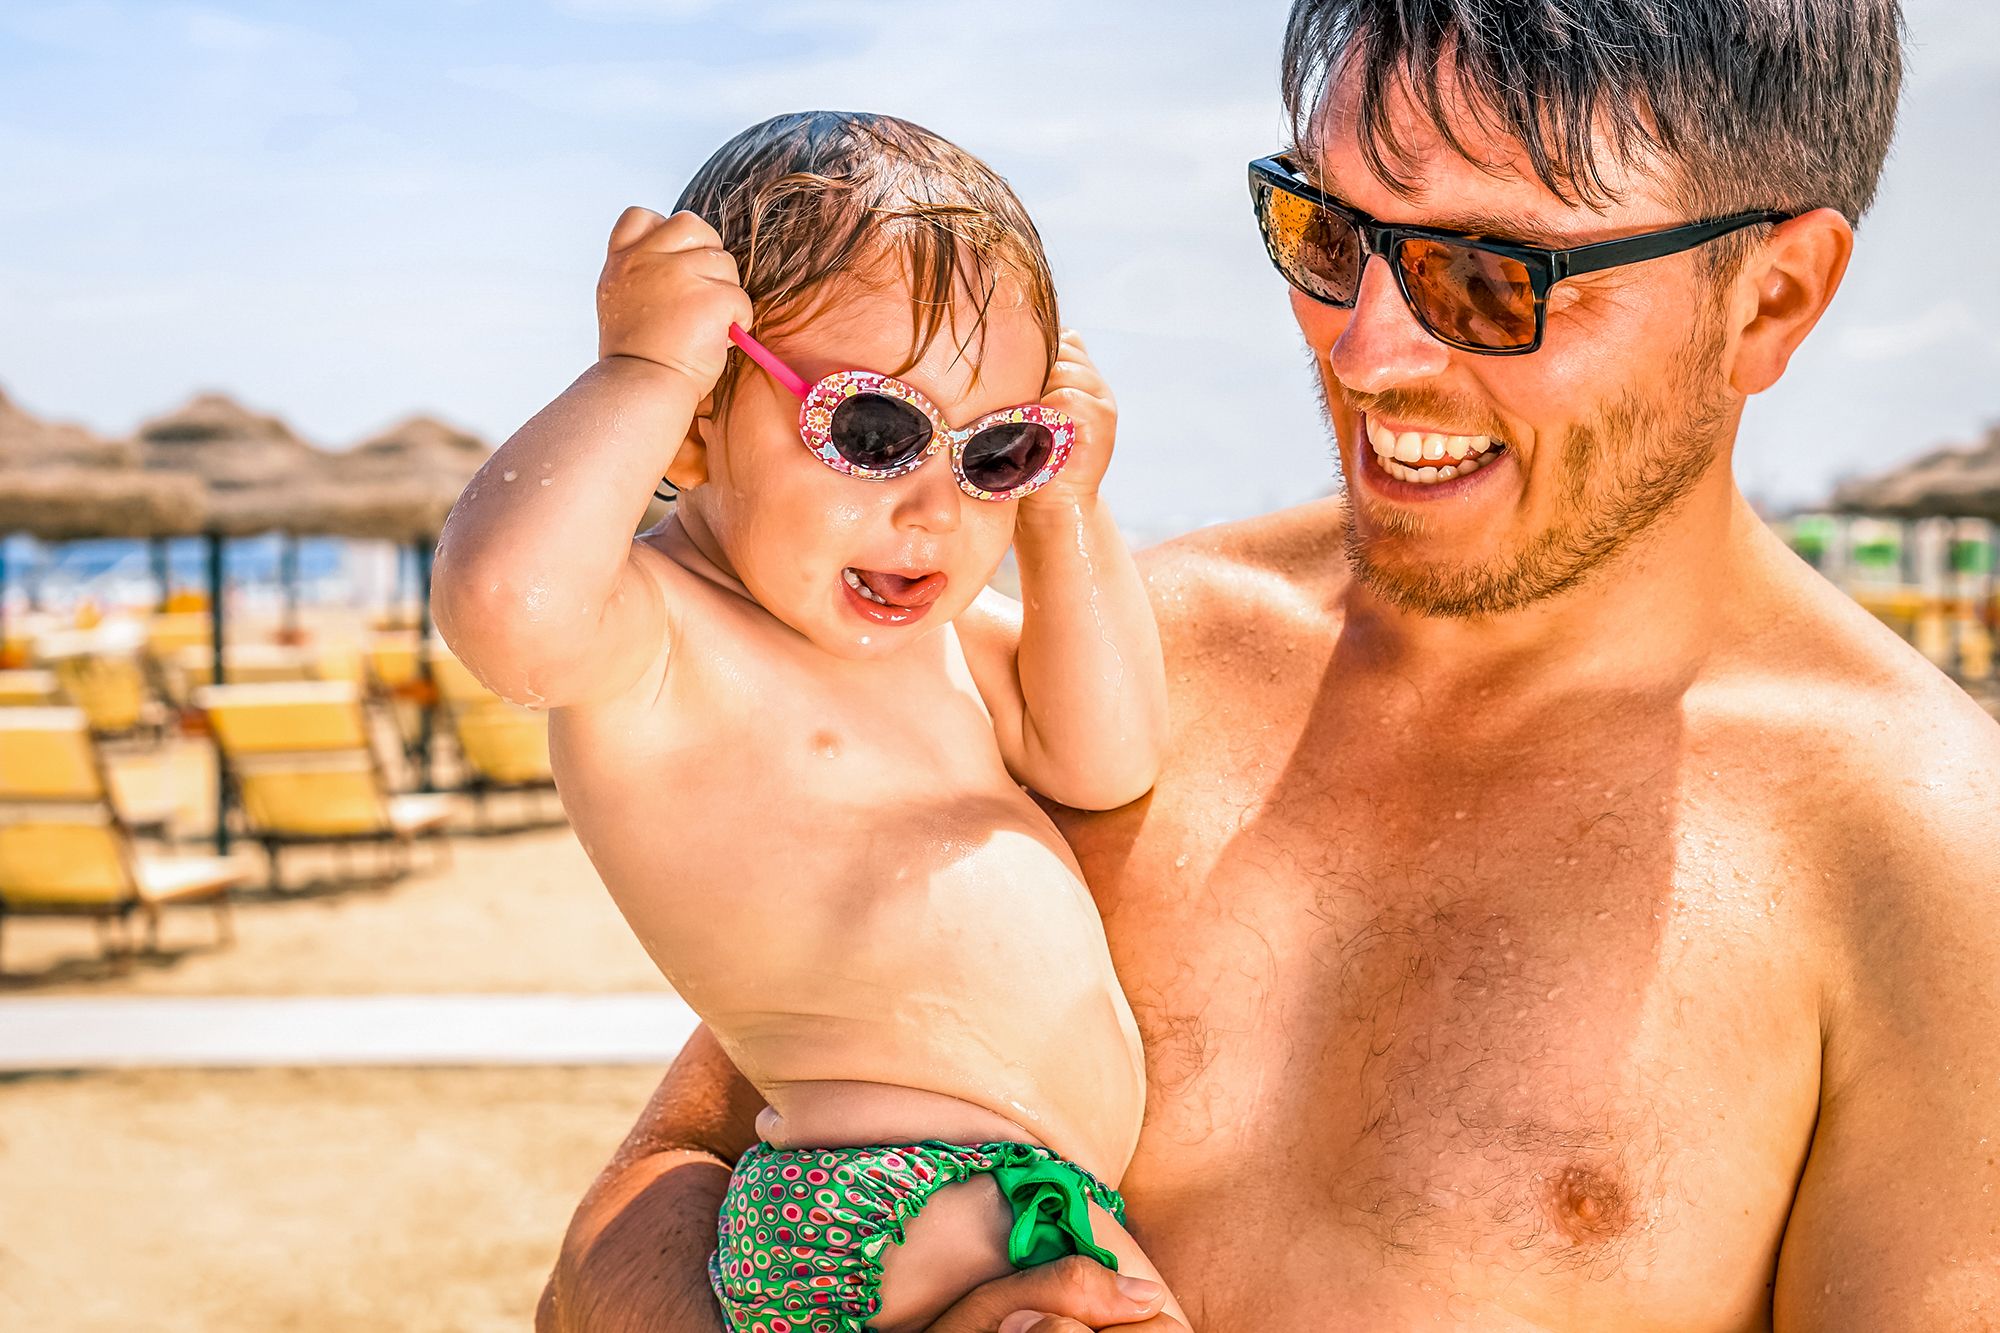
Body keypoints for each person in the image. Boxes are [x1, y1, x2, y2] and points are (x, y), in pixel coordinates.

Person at [538, 2, 2000, 1330]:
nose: (1365, 350)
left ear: (1774, 300)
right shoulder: (1080, 662)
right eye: (1325, 233)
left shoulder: (1919, 854)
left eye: (1490, 277)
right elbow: (654, 1204)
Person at [431, 111, 1185, 1333]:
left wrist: (1066, 515)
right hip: (874, 1200)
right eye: (873, 431)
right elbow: (505, 606)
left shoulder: (940, 644)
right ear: (698, 424)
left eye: (995, 452)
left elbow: (1104, 755)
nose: (934, 510)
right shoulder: (662, 634)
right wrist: (641, 368)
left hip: (999, 1212)